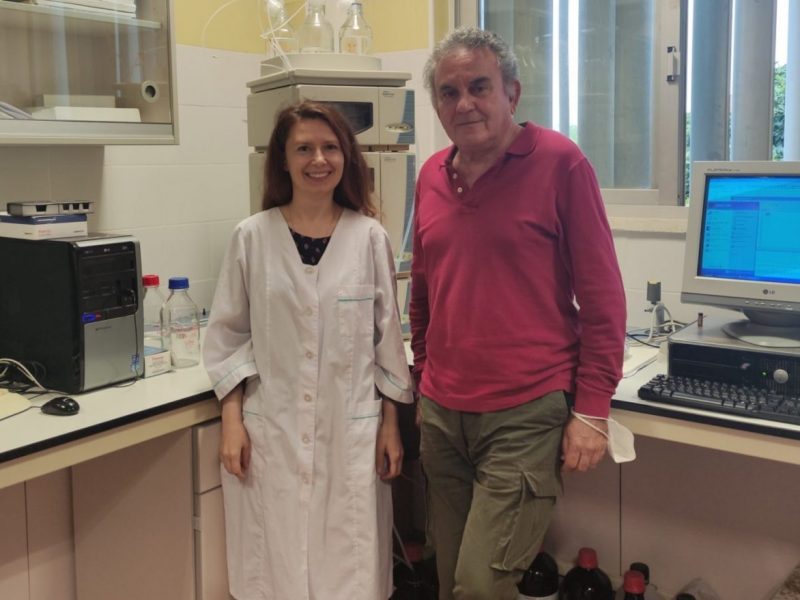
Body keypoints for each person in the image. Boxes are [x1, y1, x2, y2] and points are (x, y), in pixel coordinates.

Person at [410, 27, 626, 600]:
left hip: (525, 411)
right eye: (448, 93)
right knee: (452, 576)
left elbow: (603, 297)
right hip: (442, 413)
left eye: (479, 87)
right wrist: (420, 380)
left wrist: (593, 410)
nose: (465, 104)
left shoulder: (560, 162)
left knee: (481, 585)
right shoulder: (430, 175)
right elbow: (424, 293)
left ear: (512, 92)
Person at [203, 100, 413, 600]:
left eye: (329, 147)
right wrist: (231, 423)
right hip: (269, 432)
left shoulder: (369, 238)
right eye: (303, 148)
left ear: (346, 157)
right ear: (282, 160)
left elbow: (387, 346)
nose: (318, 159)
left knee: (350, 570)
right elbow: (229, 339)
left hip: (352, 434)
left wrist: (390, 427)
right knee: (274, 570)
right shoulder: (251, 238)